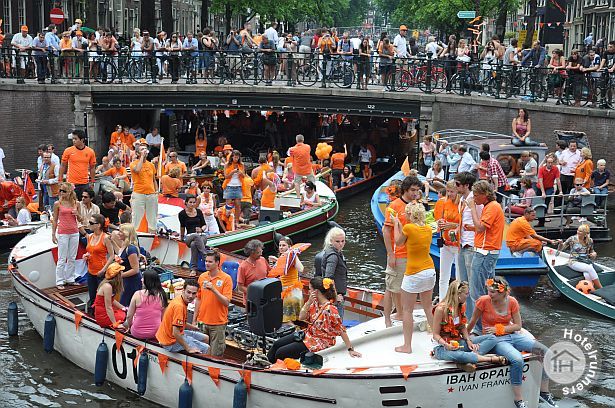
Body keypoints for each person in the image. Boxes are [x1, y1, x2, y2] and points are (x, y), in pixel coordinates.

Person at [468, 277, 558, 408]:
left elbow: (518, 326)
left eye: (492, 292)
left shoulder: (512, 302)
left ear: (502, 292)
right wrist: (466, 338)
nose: (489, 294)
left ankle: (544, 392)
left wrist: (499, 328)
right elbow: (472, 321)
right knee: (517, 360)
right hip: (495, 340)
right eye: (488, 291)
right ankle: (519, 399)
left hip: (514, 336)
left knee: (546, 352)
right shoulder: (483, 301)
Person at [267, 276, 362, 363]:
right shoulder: (314, 304)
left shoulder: (330, 310)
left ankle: (274, 368)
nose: (308, 291)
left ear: (315, 291)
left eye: (310, 289)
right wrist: (308, 303)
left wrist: (350, 349)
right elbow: (301, 317)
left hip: (319, 341)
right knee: (276, 344)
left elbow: (341, 330)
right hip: (308, 334)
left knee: (280, 353)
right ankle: (267, 364)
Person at [392, 202, 435, 353]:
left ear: (411, 214)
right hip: (429, 270)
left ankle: (407, 346)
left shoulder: (408, 228)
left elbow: (398, 242)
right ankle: (437, 337)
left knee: (407, 310)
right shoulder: (428, 229)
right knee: (428, 306)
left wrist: (397, 224)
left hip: (414, 272)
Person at [432, 280, 503, 372]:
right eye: (466, 293)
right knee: (458, 355)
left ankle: (467, 360)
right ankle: (489, 359)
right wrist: (447, 345)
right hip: (443, 347)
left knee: (492, 338)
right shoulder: (441, 309)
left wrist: (468, 341)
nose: (468, 296)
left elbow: (462, 326)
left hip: (459, 343)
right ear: (458, 294)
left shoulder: (461, 306)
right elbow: (435, 335)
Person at [382, 176, 422, 327]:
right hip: (398, 253)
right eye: (413, 190)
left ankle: (400, 314)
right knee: (391, 287)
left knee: (405, 288)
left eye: (417, 190)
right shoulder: (394, 206)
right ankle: (387, 319)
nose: (415, 193)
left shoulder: (415, 205)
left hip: (412, 254)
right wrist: (390, 254)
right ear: (405, 190)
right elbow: (386, 231)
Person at [466, 180, 504, 332]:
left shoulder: (492, 207)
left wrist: (473, 209)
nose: (474, 198)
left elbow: (481, 228)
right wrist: (472, 227)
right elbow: (484, 229)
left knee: (478, 292)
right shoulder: (492, 206)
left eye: (476, 195)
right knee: (489, 289)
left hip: (484, 253)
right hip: (487, 252)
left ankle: (481, 327)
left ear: (485, 195)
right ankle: (490, 324)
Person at [193, 250, 233, 356]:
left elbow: (226, 302)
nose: (207, 264)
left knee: (216, 355)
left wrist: (214, 290)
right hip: (202, 322)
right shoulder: (202, 277)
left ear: (217, 263)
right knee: (200, 353)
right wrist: (194, 320)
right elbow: (198, 299)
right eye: (206, 261)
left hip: (218, 324)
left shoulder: (226, 279)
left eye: (210, 262)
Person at [156, 279, 210, 354]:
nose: (191, 296)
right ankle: (199, 364)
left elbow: (180, 323)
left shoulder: (180, 299)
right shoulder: (179, 306)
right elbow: (176, 333)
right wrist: (189, 349)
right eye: (188, 292)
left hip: (172, 334)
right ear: (183, 290)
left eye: (194, 293)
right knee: (206, 348)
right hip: (169, 341)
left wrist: (192, 327)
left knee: (206, 338)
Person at [52, 182, 83, 290]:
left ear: (69, 192)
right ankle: (59, 281)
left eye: (63, 191)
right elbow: (55, 219)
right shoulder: (57, 204)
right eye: (60, 190)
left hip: (74, 232)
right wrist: (53, 234)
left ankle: (70, 279)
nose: (61, 192)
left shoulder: (76, 203)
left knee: (72, 257)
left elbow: (81, 219)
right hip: (63, 232)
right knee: (62, 258)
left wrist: (77, 214)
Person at [124, 268, 167, 340]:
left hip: (137, 332)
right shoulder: (162, 295)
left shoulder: (137, 294)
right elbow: (163, 318)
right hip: (156, 332)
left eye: (143, 278)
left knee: (126, 321)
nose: (141, 280)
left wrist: (130, 326)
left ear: (147, 281)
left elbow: (129, 316)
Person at [268, 237, 305, 322]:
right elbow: (282, 268)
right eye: (280, 245)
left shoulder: (292, 256)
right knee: (292, 317)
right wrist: (276, 260)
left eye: (284, 245)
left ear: (289, 247)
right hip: (286, 290)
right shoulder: (283, 258)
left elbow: (301, 269)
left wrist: (295, 256)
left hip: (291, 292)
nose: (281, 247)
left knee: (287, 320)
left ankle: (295, 332)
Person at [434, 181, 460, 300]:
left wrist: (452, 225)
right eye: (448, 191)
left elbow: (464, 224)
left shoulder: (462, 204)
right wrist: (439, 222)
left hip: (458, 244)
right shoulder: (442, 202)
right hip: (446, 243)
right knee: (443, 276)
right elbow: (438, 218)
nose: (449, 194)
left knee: (459, 277)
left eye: (452, 191)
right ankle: (442, 301)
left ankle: (459, 302)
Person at [83, 213, 114, 311]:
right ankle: (93, 316)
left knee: (101, 297)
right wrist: (86, 255)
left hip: (101, 272)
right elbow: (90, 251)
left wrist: (104, 269)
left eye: (91, 223)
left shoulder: (105, 238)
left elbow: (112, 255)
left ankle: (101, 316)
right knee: (92, 296)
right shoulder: (90, 236)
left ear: (98, 225)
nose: (89, 225)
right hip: (91, 271)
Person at [558, 224, 602, 289]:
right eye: (578, 230)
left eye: (580, 231)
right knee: (589, 268)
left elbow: (592, 251)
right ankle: (600, 288)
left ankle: (590, 288)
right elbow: (561, 249)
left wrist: (594, 254)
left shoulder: (590, 240)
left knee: (587, 273)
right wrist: (561, 244)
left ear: (585, 233)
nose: (578, 232)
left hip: (585, 261)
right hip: (573, 261)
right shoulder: (572, 239)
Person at [59, 129, 96, 199]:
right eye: (73, 139)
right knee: (71, 204)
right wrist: (60, 180)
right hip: (71, 183)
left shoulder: (90, 152)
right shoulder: (68, 151)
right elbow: (63, 165)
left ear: (82, 140)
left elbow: (92, 167)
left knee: (83, 204)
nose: (73, 141)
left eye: (75, 139)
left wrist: (92, 181)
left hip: (85, 183)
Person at [130, 143, 158, 233]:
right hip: (139, 194)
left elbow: (154, 180)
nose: (144, 151)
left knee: (152, 218)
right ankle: (133, 236)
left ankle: (153, 236)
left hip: (151, 194)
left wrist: (156, 192)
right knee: (136, 217)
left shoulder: (151, 165)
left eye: (145, 149)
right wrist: (142, 157)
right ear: (137, 153)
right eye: (142, 149)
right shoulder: (133, 164)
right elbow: (137, 170)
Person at [178, 195, 208, 276]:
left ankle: (193, 269)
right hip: (189, 236)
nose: (192, 204)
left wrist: (201, 229)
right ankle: (206, 257)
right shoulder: (182, 214)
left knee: (194, 244)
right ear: (186, 203)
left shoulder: (199, 212)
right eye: (190, 202)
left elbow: (204, 225)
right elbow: (182, 226)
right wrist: (181, 237)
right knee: (195, 236)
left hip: (201, 235)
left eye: (194, 202)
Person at [115, 223, 143, 306]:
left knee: (126, 303)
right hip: (126, 280)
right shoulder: (124, 246)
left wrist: (120, 275)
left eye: (120, 231)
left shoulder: (131, 249)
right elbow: (119, 253)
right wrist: (112, 241)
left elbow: (135, 269)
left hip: (132, 281)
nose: (118, 233)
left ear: (126, 234)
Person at [93, 262, 127, 329]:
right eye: (121, 272)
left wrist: (124, 308)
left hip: (104, 312)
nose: (122, 273)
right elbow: (108, 307)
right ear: (117, 275)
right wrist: (115, 324)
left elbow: (112, 300)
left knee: (124, 313)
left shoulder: (108, 284)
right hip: (103, 316)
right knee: (124, 316)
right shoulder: (107, 287)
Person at [237, 239, 270, 305]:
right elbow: (240, 287)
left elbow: (270, 273)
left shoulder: (263, 259)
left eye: (261, 251)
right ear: (251, 253)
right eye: (258, 252)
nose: (261, 254)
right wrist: (254, 293)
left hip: (265, 297)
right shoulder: (243, 267)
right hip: (251, 300)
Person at [537, 155, 563, 227]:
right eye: (549, 162)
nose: (550, 164)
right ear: (546, 162)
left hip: (549, 187)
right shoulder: (541, 169)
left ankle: (542, 220)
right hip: (540, 187)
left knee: (546, 202)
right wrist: (542, 192)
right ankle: (540, 220)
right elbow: (540, 181)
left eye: (551, 163)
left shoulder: (555, 169)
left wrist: (560, 191)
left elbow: (558, 180)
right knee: (539, 203)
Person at [223, 150, 245, 227]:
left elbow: (244, 176)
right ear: (232, 157)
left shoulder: (241, 164)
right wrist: (232, 172)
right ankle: (227, 221)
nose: (236, 158)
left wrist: (240, 173)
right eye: (235, 157)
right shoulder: (227, 164)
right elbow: (226, 176)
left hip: (238, 186)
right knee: (228, 205)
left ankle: (236, 221)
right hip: (229, 186)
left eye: (237, 157)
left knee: (238, 205)